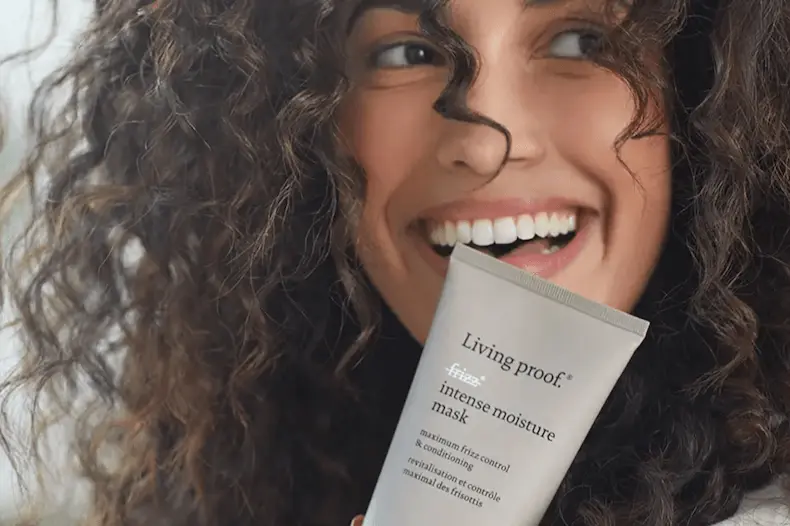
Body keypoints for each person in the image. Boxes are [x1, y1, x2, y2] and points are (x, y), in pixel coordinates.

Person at [2, 0, 790, 524]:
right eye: (408, 51)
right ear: (298, 129)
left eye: (582, 39)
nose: (487, 140)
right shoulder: (256, 470)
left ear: (701, 91)